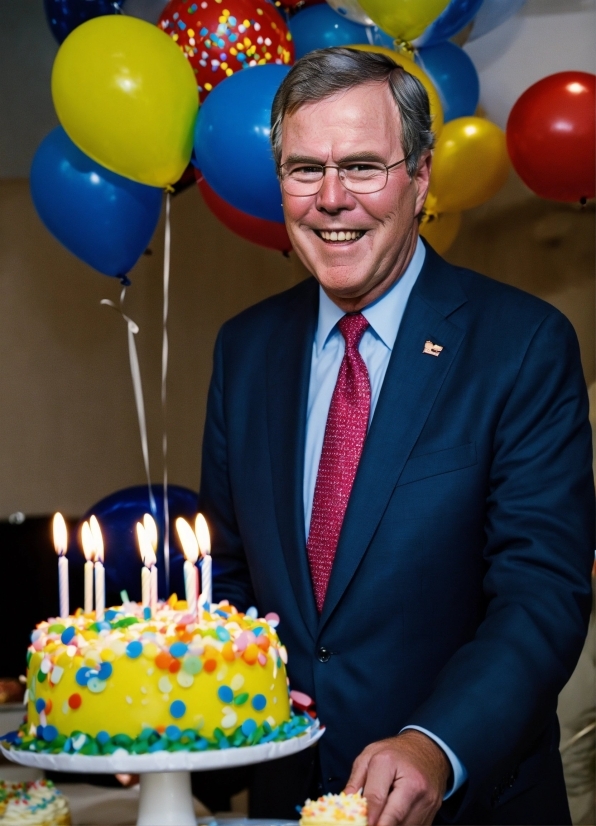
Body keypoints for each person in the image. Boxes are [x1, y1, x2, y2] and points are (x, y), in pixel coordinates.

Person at [198, 48, 594, 825]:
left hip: (474, 803)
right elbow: (231, 579)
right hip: (290, 798)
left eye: (364, 166)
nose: (332, 198)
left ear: (420, 177)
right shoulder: (244, 349)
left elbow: (541, 591)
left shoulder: (522, 343)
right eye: (305, 168)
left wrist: (434, 744)